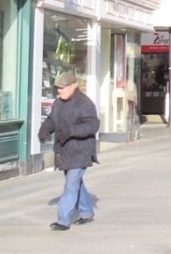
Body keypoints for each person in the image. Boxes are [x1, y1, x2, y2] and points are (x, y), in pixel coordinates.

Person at [38, 71, 99, 231]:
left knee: (71, 184)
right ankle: (86, 212)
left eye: (63, 88)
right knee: (76, 183)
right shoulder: (58, 103)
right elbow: (52, 120)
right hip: (65, 150)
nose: (59, 91)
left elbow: (93, 125)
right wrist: (45, 129)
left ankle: (63, 220)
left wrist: (71, 130)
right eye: (58, 88)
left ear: (73, 86)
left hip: (80, 150)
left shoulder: (84, 103)